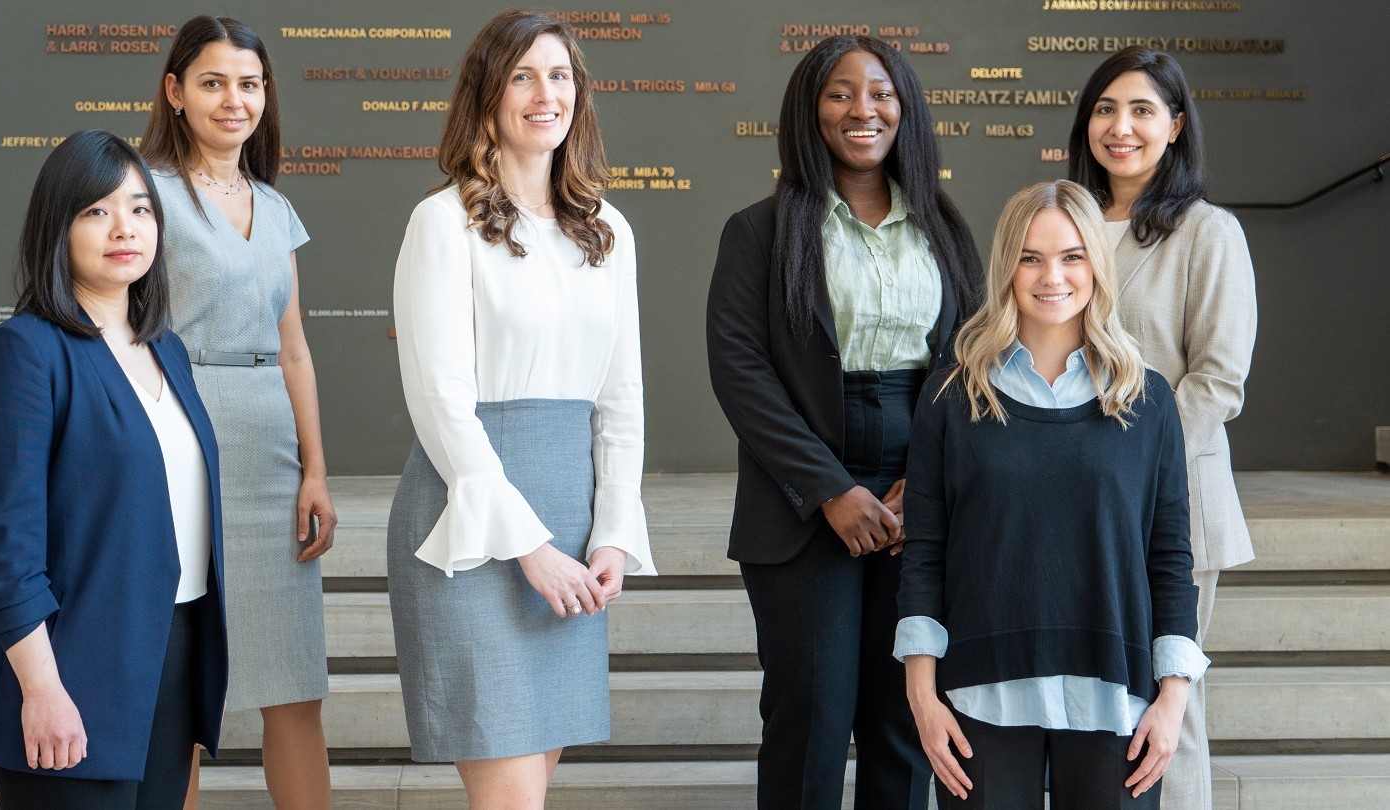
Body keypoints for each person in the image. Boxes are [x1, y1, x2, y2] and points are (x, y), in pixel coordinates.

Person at [706, 34, 983, 810]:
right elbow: (741, 372)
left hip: (917, 482)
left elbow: (970, 364)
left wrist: (921, 486)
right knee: (812, 718)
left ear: (907, 110)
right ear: (810, 109)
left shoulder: (946, 230)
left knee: (905, 720)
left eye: (882, 93)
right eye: (840, 93)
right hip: (800, 499)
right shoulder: (758, 232)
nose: (863, 110)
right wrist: (830, 489)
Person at [388, 9, 654, 807]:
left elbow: (621, 399)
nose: (547, 94)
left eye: (561, 75)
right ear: (488, 95)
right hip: (471, 528)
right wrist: (530, 546)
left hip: (572, 522)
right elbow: (439, 402)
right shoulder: (442, 222)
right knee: (510, 797)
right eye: (523, 76)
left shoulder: (608, 230)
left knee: (529, 787)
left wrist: (610, 530)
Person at [897, 180, 1204, 808]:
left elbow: (1170, 558)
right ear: (1006, 268)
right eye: (1030, 257)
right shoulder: (952, 398)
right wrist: (922, 697)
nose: (1051, 276)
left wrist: (1173, 699)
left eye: (1071, 256)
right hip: (981, 695)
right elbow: (925, 552)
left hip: (1116, 697)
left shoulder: (1148, 403)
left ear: (1097, 264)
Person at [0, 128, 228, 809]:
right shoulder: (23, 353)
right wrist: (42, 687)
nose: (124, 228)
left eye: (140, 208)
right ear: (60, 224)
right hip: (69, 666)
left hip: (166, 656)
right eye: (97, 211)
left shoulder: (166, 350)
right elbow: (6, 551)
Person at [139, 16, 335, 807]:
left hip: (270, 450)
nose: (234, 100)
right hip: (180, 440)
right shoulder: (144, 193)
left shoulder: (273, 206)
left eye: (249, 84)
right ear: (175, 91)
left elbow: (294, 350)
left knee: (294, 684)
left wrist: (316, 468)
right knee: (184, 689)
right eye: (213, 82)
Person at [1068, 46, 1258, 810]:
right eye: (1106, 109)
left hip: (1169, 505)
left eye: (1143, 110)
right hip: (1072, 500)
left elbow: (1217, 381)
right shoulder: (1067, 222)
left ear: (1175, 126)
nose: (1122, 127)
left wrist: (1132, 469)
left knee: (1167, 705)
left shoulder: (1207, 232)